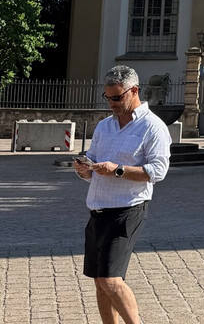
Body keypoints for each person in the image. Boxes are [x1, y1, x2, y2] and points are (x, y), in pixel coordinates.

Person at [73, 66, 171, 324]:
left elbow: (158, 172)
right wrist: (84, 168)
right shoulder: (104, 126)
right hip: (97, 209)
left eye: (116, 98)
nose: (111, 104)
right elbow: (93, 165)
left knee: (111, 280)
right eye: (107, 98)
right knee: (99, 281)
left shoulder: (153, 127)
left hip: (127, 210)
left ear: (134, 91)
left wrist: (117, 170)